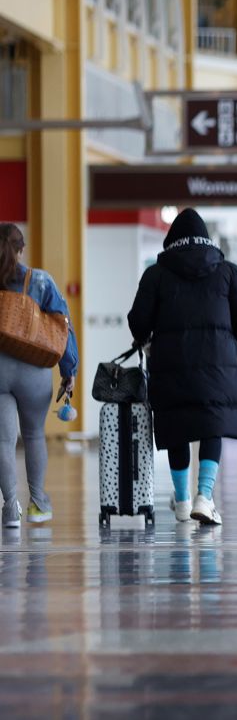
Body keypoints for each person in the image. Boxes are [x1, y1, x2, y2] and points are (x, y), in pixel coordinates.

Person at [128, 209, 237, 527]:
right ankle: (204, 496)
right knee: (210, 424)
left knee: (178, 425)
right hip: (218, 364)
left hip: (171, 362)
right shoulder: (228, 272)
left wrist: (146, 334)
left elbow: (138, 321)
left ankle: (182, 501)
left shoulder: (156, 274)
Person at [0, 224, 78, 529]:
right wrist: (68, 370)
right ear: (21, 250)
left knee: (4, 441)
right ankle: (39, 504)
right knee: (33, 435)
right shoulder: (41, 281)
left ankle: (10, 509)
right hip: (33, 369)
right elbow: (63, 326)